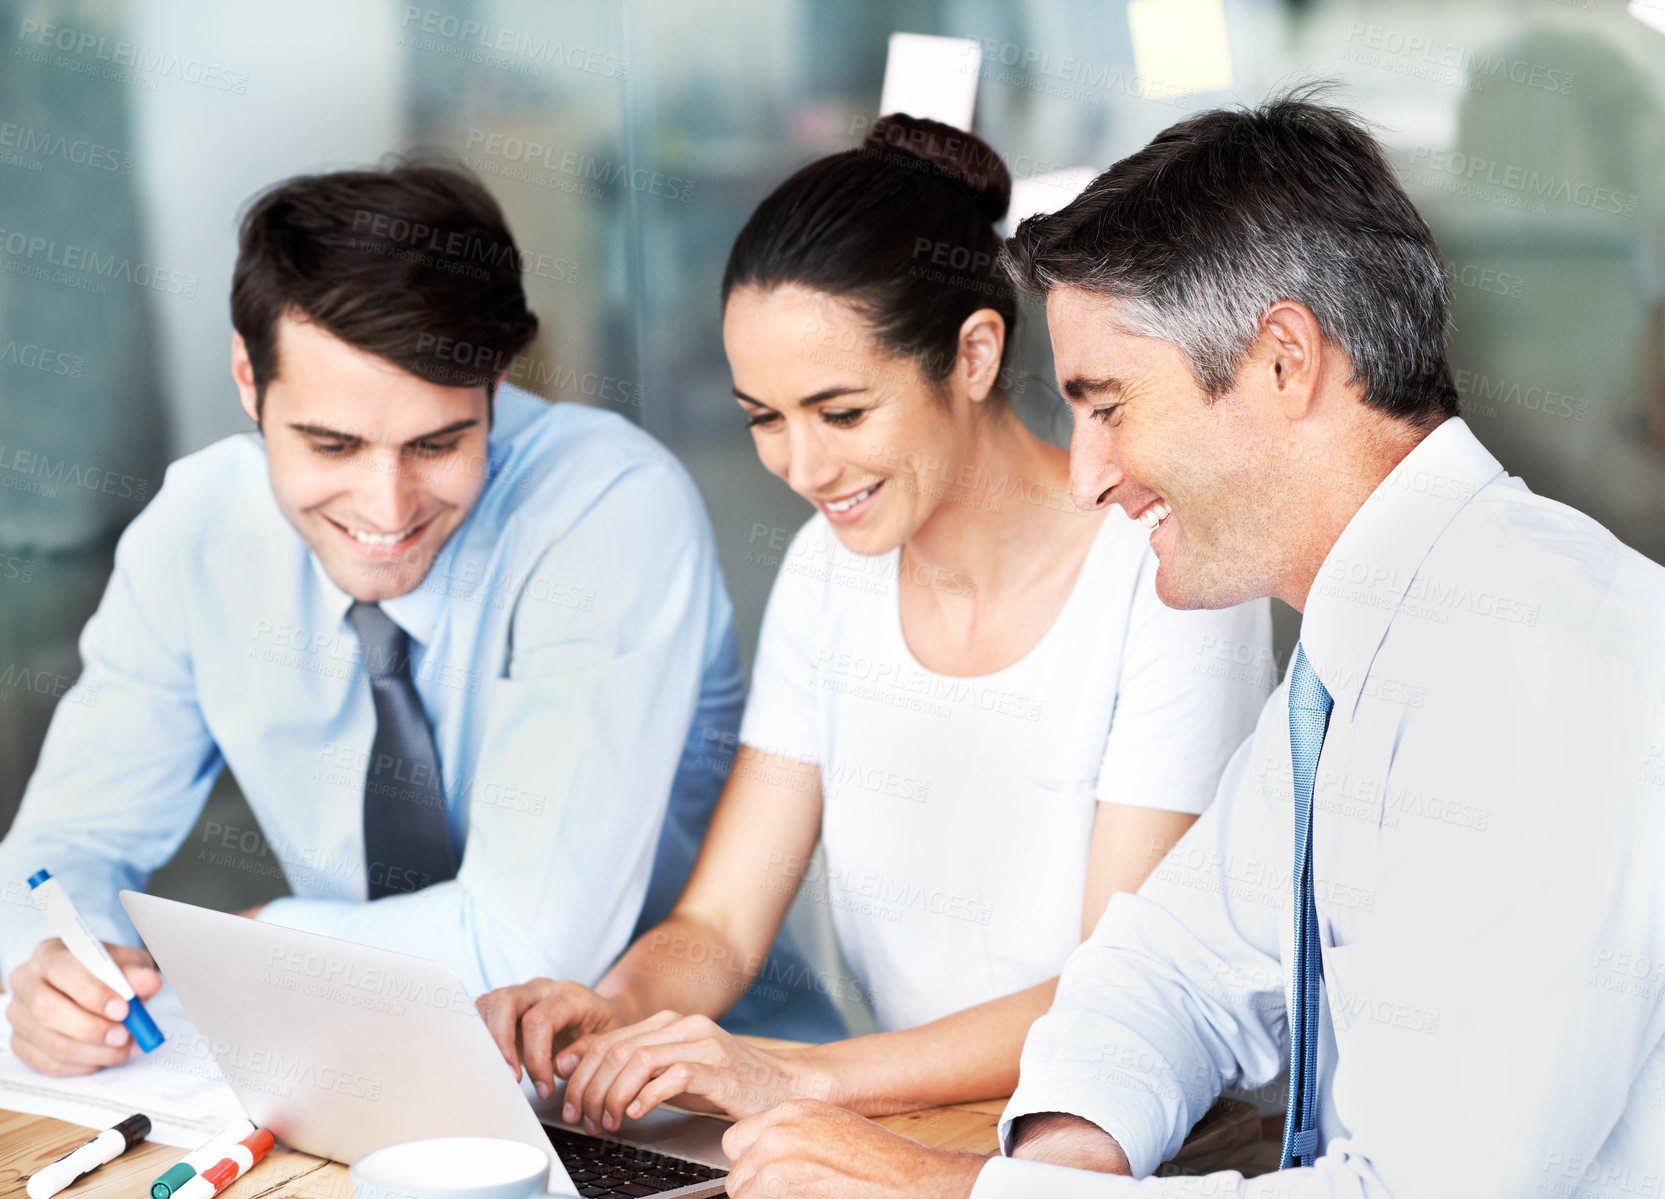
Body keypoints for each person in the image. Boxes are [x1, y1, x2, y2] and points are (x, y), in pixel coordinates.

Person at [714, 94, 1665, 1199]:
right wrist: (1066, 1155)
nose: (1086, 472)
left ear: (1282, 361)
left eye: (1109, 404)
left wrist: (955, 1193)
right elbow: (1170, 965)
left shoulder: (1532, 660)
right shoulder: (1359, 650)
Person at [477, 115, 1273, 1136]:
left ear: (975, 353)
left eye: (842, 413)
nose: (802, 470)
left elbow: (1125, 995)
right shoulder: (827, 574)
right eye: (765, 418)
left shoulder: (1165, 573)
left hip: (1145, 1140)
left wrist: (801, 1076)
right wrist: (618, 1007)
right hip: (910, 1120)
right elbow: (720, 923)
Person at [0, 159, 837, 1078]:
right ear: (248, 377)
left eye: (437, 443)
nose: (387, 506)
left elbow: (518, 952)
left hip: (681, 1102)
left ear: (495, 380)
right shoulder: (195, 532)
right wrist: (50, 973)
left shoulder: (607, 510)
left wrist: (228, 949)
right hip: (361, 1074)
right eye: (332, 444)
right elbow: (61, 853)